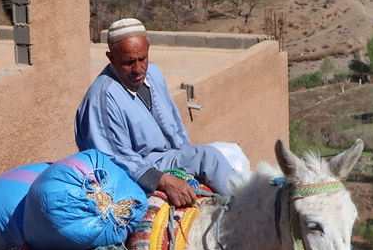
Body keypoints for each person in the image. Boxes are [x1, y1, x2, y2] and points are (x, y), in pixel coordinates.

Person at [75, 17, 247, 207]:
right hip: (139, 170)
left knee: (221, 154)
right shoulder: (103, 98)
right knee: (208, 156)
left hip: (167, 158)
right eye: (128, 62)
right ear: (111, 58)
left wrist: (186, 161)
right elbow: (113, 157)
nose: (138, 68)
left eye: (142, 59)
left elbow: (174, 123)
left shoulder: (154, 74)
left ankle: (248, 201)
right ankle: (245, 206)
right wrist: (163, 180)